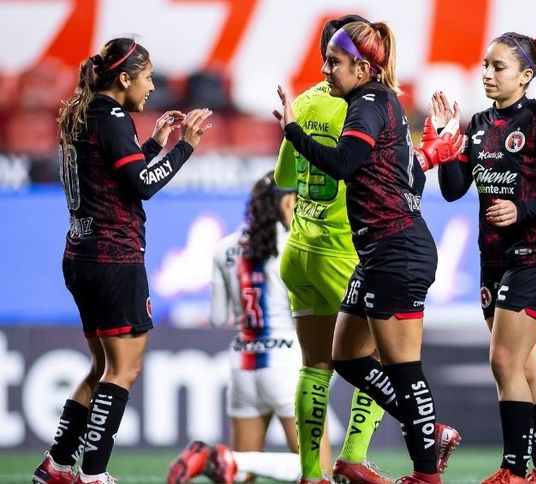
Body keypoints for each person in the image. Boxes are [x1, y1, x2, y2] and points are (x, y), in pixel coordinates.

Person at [272, 20, 462, 484]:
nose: (325, 70)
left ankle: (425, 473)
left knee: (401, 368)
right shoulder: (378, 102)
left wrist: (293, 130)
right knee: (349, 358)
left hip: (395, 250)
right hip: (373, 252)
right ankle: (428, 431)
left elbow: (340, 165)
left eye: (333, 62)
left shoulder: (366, 104)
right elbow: (404, 179)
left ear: (361, 67)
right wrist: (429, 155)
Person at [32, 37, 211, 484]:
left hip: (82, 253)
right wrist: (184, 147)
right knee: (124, 368)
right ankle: (94, 475)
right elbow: (143, 186)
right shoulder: (111, 117)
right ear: (126, 78)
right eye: (147, 78)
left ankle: (57, 466)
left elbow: (117, 177)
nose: (151, 87)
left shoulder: (87, 113)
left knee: (101, 367)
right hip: (114, 257)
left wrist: (152, 145)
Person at [431, 30, 536, 484]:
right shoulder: (478, 124)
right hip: (492, 261)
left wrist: (522, 210)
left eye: (499, 66)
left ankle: (514, 469)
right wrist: (447, 139)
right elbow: (454, 190)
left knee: (504, 362)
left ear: (527, 75)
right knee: (528, 367)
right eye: (485, 65)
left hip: (534, 256)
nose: (488, 74)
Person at [273, 14, 392, 484]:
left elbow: (283, 177)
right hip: (344, 251)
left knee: (315, 366)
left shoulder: (303, 103)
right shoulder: (363, 106)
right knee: (380, 358)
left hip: (300, 249)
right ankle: (354, 458)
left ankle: (311, 473)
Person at [167, 172, 304, 483]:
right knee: (316, 472)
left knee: (242, 477)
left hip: (242, 363)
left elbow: (217, 318)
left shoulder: (224, 247)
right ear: (287, 202)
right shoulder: (295, 245)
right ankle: (216, 457)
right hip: (286, 361)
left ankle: (226, 459)